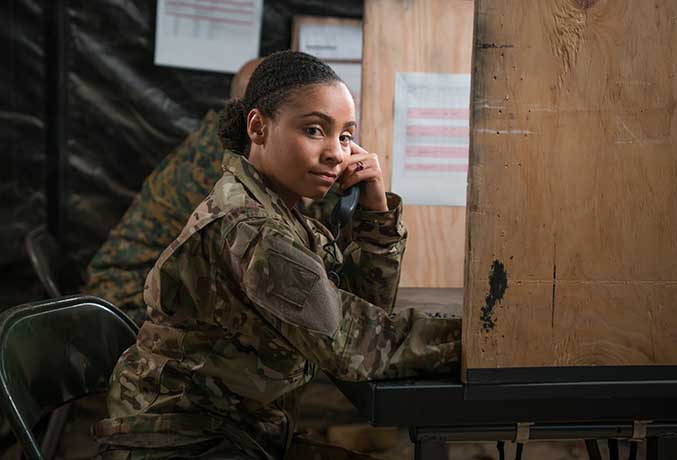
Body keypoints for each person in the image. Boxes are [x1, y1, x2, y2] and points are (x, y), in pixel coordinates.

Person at [93, 51, 461, 460]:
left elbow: (362, 310)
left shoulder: (279, 208)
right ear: (258, 127)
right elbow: (352, 345)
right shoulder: (252, 228)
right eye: (315, 130)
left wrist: (376, 216)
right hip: (181, 441)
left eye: (344, 136)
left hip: (237, 430)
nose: (337, 154)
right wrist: (483, 344)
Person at [82, 58, 262, 324]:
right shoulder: (227, 161)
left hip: (138, 289)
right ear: (256, 118)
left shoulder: (224, 139)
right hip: (127, 303)